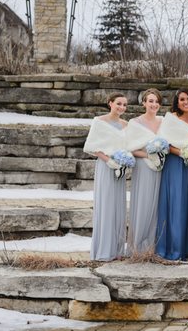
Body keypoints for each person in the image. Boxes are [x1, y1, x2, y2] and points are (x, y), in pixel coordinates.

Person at [83, 92, 129, 261]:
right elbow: (92, 146)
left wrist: (124, 160)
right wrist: (108, 160)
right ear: (110, 103)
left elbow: (128, 145)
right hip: (106, 166)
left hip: (120, 168)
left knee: (118, 206)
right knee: (106, 204)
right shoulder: (99, 122)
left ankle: (117, 249)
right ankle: (103, 249)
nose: (121, 107)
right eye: (118, 103)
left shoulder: (126, 124)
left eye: (124, 105)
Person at [155, 88, 188, 260]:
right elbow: (163, 142)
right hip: (175, 163)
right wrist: (181, 153)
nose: (185, 102)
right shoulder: (171, 118)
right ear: (177, 102)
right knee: (176, 204)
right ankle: (174, 248)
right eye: (182, 99)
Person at [125, 88, 164, 255]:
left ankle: (152, 247)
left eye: (156, 101)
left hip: (161, 167)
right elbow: (130, 148)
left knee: (157, 205)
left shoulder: (163, 121)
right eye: (150, 101)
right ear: (144, 103)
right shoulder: (135, 123)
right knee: (143, 202)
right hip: (143, 166)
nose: (153, 104)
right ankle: (138, 247)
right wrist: (149, 155)